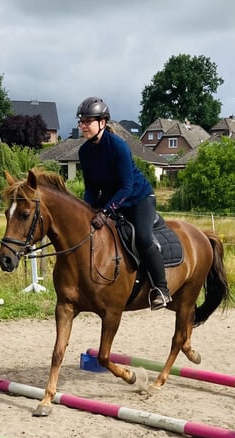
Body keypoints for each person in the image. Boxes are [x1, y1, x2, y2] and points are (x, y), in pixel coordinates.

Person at [76, 96, 171, 310]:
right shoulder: (84, 152)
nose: (83, 126)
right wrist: (85, 211)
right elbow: (91, 189)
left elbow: (126, 187)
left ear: (102, 123)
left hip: (138, 198)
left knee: (144, 237)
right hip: (111, 198)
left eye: (87, 121)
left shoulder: (118, 146)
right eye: (81, 122)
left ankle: (161, 289)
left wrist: (106, 212)